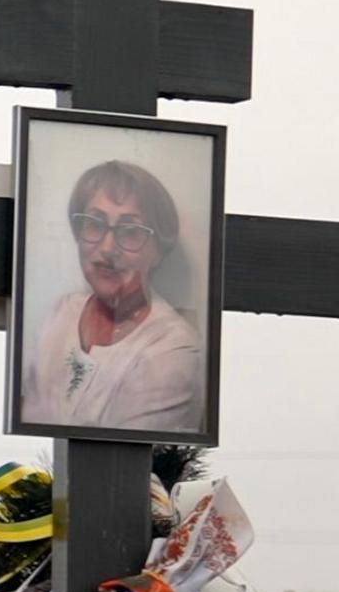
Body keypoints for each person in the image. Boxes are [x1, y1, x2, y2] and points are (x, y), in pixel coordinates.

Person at [20, 158, 205, 434]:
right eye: (94, 224)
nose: (108, 247)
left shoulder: (175, 348)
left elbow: (121, 456)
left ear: (158, 251)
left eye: (130, 231)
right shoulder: (62, 311)